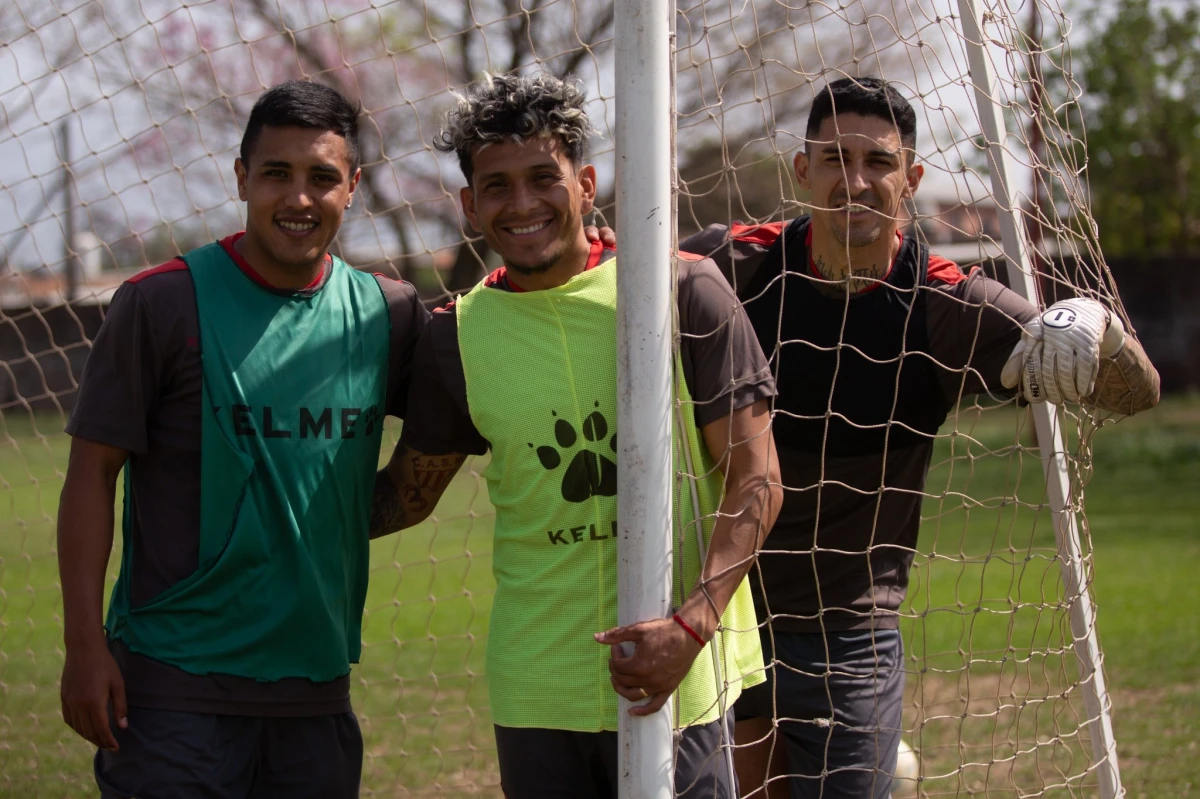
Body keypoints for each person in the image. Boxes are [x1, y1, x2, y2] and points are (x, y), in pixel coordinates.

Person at [679, 76, 1162, 799]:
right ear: (801, 170)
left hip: (849, 633)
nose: (857, 180)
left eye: (878, 162)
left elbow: (1140, 391)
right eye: (836, 158)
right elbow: (603, 292)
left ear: (912, 180)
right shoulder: (730, 269)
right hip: (722, 616)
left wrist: (1094, 330)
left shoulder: (942, 304)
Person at [367, 72, 783, 798]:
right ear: (469, 204)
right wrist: (275, 502)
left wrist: (691, 626)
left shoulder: (684, 290)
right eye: (496, 187)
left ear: (586, 183)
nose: (522, 204)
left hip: (677, 677)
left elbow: (757, 480)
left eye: (542, 178)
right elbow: (407, 496)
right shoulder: (454, 336)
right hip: (537, 687)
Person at [57, 79, 428, 798]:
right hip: (172, 692)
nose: (299, 198)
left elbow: (453, 427)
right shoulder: (159, 302)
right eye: (276, 174)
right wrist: (82, 644)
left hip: (317, 690)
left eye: (322, 177)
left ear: (353, 186)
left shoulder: (390, 314)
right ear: (240, 179)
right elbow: (90, 475)